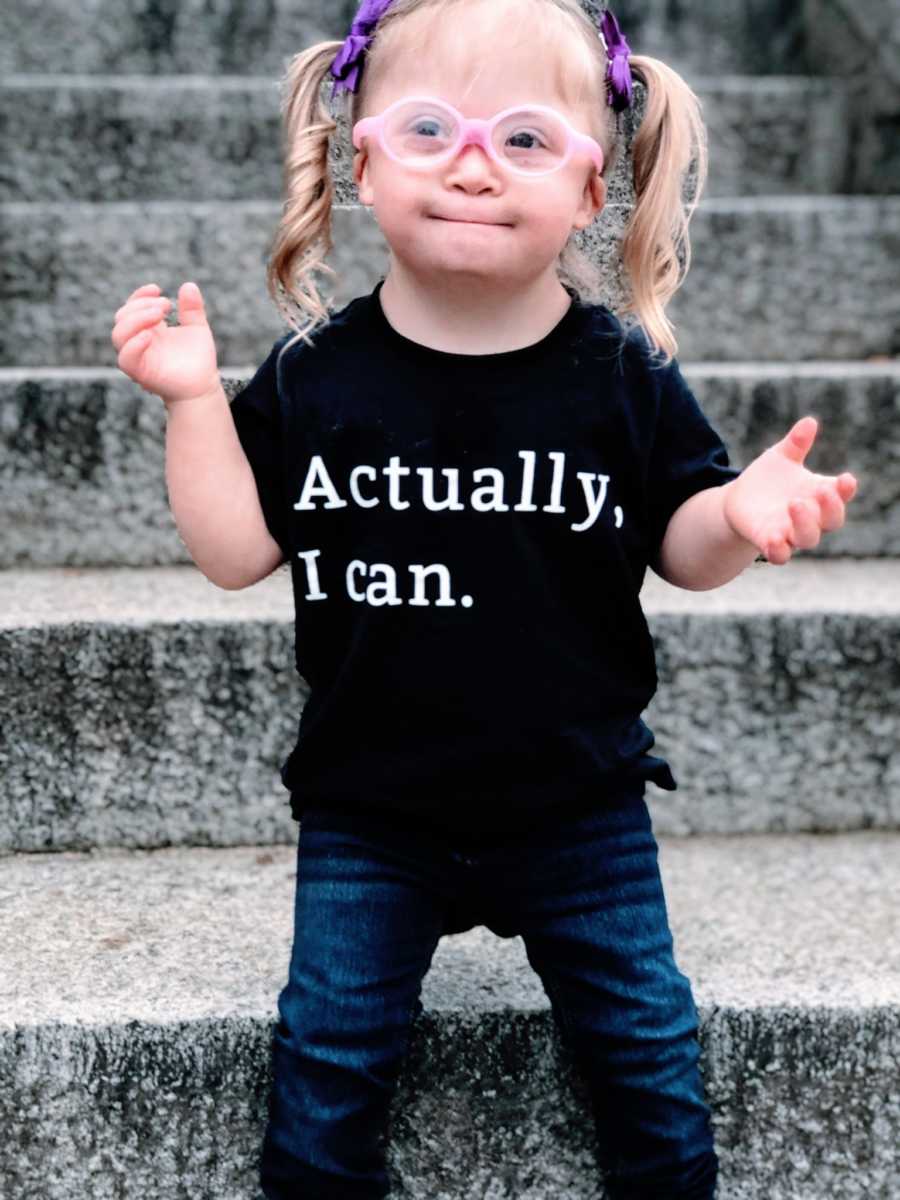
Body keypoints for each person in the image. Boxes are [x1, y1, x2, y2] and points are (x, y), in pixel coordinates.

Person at [110, 2, 859, 1196]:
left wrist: (740, 517)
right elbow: (236, 551)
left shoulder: (622, 373)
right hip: (372, 812)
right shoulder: (316, 374)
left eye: (522, 139)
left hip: (581, 809)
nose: (471, 163)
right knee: (326, 1060)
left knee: (652, 1060)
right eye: (428, 129)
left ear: (590, 183)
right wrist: (196, 404)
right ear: (361, 160)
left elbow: (683, 542)